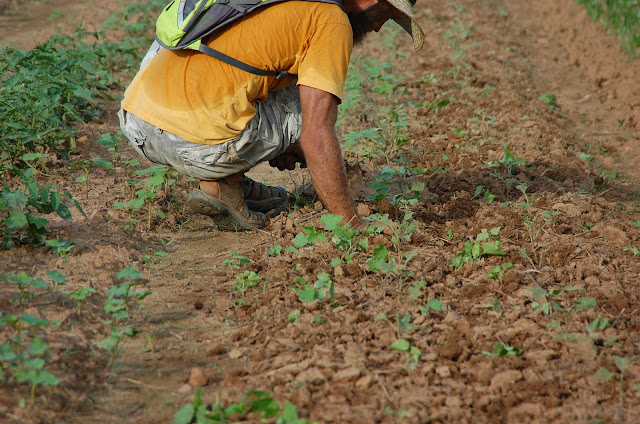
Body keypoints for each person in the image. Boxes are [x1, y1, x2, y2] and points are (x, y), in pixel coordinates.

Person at [119, 0, 424, 230]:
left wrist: (290, 147)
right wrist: (350, 222)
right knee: (309, 107)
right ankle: (224, 177)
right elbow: (315, 135)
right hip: (193, 145)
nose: (378, 27)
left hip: (136, 121)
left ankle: (227, 185)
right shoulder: (332, 20)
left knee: (265, 77)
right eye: (386, 14)